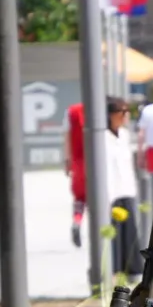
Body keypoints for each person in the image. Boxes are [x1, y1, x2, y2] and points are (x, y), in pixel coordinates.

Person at [103, 97, 142, 278]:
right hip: (112, 190)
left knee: (130, 230)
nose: (126, 116)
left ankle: (132, 268)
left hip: (126, 188)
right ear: (111, 115)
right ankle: (115, 268)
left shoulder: (125, 135)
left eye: (127, 112)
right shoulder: (102, 137)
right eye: (122, 112)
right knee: (115, 233)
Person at [65, 102, 88, 247]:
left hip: (78, 161)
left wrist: (68, 160)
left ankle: (77, 221)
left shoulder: (71, 111)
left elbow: (67, 137)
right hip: (97, 161)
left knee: (79, 198)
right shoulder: (102, 107)